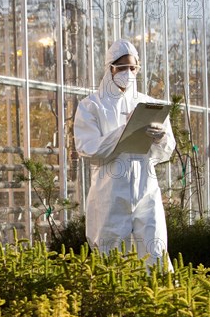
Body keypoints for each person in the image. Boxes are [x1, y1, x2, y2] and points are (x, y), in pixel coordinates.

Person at [73, 39, 176, 271]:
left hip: (146, 190)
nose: (128, 73)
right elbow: (88, 148)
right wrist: (125, 131)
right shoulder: (91, 106)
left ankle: (162, 302)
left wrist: (161, 138)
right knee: (111, 258)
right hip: (110, 194)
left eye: (133, 68)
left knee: (155, 252)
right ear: (110, 68)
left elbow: (166, 152)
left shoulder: (148, 104)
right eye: (122, 68)